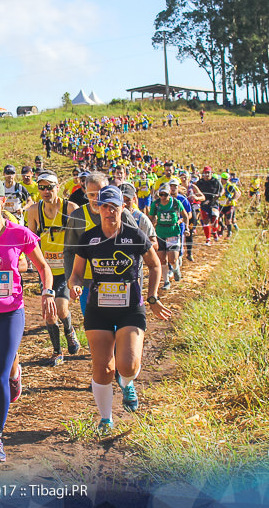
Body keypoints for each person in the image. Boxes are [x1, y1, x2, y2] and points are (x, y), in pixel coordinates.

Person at [0, 177, 55, 463]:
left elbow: (43, 267)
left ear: (4, 202)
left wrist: (48, 292)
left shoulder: (20, 234)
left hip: (10, 312)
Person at [68, 186, 170, 433]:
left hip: (130, 309)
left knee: (128, 365)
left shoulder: (135, 236)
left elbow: (155, 266)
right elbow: (77, 274)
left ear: (123, 207)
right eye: (104, 206)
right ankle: (106, 418)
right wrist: (75, 286)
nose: (109, 211)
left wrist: (153, 297)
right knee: (103, 368)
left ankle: (127, 383)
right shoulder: (89, 238)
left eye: (114, 206)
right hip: (99, 309)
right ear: (98, 208)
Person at [63, 172, 141, 317]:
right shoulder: (78, 217)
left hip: (119, 282)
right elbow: (69, 251)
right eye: (91, 195)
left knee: (119, 327)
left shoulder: (121, 214)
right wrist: (72, 282)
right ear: (85, 192)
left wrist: (137, 281)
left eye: (100, 194)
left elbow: (138, 249)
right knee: (95, 328)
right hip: (88, 283)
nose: (96, 199)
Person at [24, 171, 80, 366]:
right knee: (49, 312)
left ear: (58, 187)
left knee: (62, 308)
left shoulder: (71, 208)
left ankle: (70, 330)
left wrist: (78, 275)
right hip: (46, 270)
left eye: (50, 187)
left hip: (66, 269)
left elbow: (80, 241)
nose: (46, 191)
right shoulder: (33, 211)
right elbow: (30, 240)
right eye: (42, 187)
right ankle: (57, 351)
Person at [149, 184, 189, 292]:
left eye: (165, 195)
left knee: (172, 258)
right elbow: (151, 217)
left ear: (169, 194)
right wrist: (152, 226)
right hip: (160, 233)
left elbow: (185, 215)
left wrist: (186, 227)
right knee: (162, 259)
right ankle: (166, 281)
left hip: (173, 232)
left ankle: (176, 269)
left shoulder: (176, 203)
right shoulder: (156, 204)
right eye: (160, 195)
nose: (162, 197)